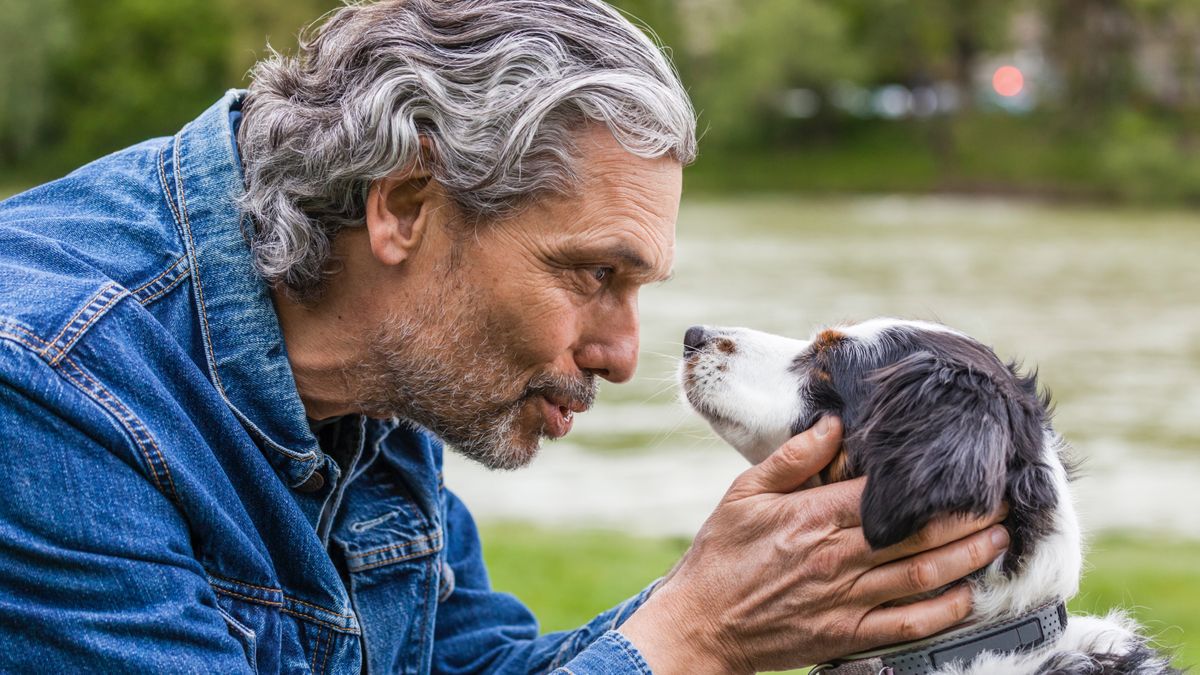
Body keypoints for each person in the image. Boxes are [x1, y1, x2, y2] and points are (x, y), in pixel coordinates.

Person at [0, 1, 1008, 672]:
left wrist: (730, 604)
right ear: (404, 206)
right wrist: (694, 632)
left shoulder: (358, 360)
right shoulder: (44, 386)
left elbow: (470, 663)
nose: (619, 353)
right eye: (593, 275)